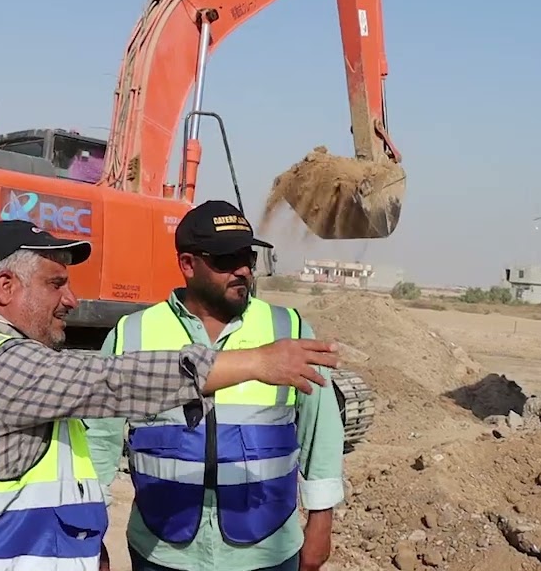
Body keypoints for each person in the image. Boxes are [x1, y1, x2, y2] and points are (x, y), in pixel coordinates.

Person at [0, 219, 345, 571]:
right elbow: (111, 382)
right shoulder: (9, 364)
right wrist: (257, 364)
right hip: (103, 551)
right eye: (56, 284)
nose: (71, 299)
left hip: (265, 544)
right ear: (7, 288)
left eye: (247, 259)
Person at [85, 200, 347, 571]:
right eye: (226, 259)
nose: (242, 269)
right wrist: (92, 532)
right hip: (162, 551)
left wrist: (321, 522)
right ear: (188, 265)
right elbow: (99, 441)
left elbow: (321, 432)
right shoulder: (133, 333)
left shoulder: (289, 329)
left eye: (248, 257)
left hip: (266, 552)